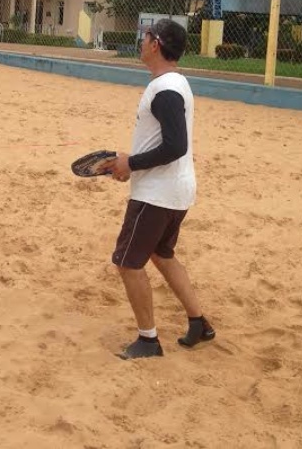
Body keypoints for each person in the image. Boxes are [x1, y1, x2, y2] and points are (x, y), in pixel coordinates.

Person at [106, 18, 215, 360]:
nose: (141, 41)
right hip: (176, 190)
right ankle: (199, 323)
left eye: (146, 37)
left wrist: (131, 164)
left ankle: (148, 340)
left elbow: (175, 146)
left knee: (127, 262)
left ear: (156, 44)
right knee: (161, 254)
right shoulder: (174, 82)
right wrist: (130, 165)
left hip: (157, 193)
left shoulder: (166, 88)